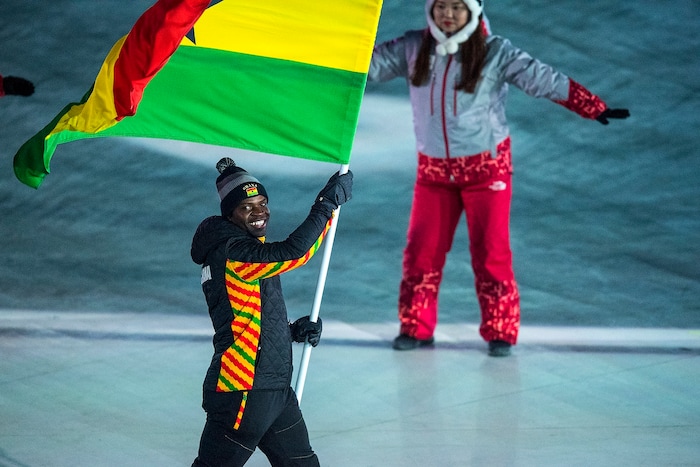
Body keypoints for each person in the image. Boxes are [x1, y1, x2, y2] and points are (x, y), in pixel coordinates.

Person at [368, 0, 629, 356]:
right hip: (434, 172)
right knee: (421, 253)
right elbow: (368, 66)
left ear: (473, 12)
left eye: (457, 7)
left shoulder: (495, 52)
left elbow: (542, 78)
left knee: (491, 253)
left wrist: (592, 105)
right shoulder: (414, 46)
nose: (448, 14)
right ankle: (415, 326)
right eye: (441, 6)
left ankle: (501, 331)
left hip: (486, 170)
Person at [191, 158, 353, 466]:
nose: (259, 212)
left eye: (262, 203)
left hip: (273, 389)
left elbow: (246, 315)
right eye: (247, 207)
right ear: (230, 215)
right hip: (243, 388)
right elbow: (294, 252)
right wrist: (326, 204)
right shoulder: (233, 253)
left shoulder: (244, 251)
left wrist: (290, 331)